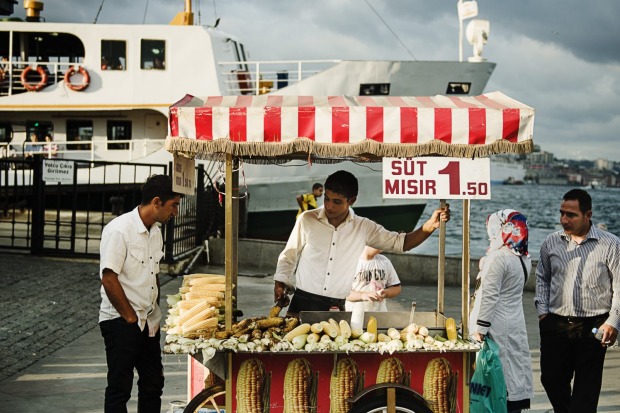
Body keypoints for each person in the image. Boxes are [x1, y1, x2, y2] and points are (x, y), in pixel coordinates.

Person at [273, 170, 450, 316]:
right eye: (326, 198)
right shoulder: (307, 219)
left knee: (335, 359)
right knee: (293, 357)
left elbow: (400, 243)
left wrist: (429, 226)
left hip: (337, 307)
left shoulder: (363, 227)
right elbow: (289, 255)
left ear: (352, 201)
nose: (329, 206)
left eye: (337, 202)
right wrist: (280, 283)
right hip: (301, 302)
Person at [98, 174, 182, 412]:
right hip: (120, 321)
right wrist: (130, 318)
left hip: (149, 321)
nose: (175, 212)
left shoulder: (156, 232)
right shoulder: (119, 230)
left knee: (153, 384)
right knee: (119, 389)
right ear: (156, 202)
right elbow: (109, 278)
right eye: (173, 205)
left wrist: (152, 313)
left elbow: (152, 273)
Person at [535, 188, 620, 413]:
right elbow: (542, 277)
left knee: (587, 388)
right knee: (551, 379)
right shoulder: (551, 242)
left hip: (594, 325)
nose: (564, 219)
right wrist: (543, 312)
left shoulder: (610, 244)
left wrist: (613, 321)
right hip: (556, 323)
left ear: (588, 215)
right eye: (562, 213)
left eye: (571, 215)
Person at [469, 209, 534, 413]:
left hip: (496, 322)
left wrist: (480, 327)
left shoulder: (498, 257)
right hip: (514, 319)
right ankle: (513, 405)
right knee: (512, 367)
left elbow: (489, 295)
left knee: (497, 371)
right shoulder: (524, 257)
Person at [345, 246, 401, 312]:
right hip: (355, 314)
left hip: (380, 313)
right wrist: (362, 295)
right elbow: (342, 293)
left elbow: (396, 288)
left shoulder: (385, 261)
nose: (384, 244)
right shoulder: (350, 262)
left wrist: (386, 293)